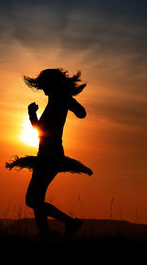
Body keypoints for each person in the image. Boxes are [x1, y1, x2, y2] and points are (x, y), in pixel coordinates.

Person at [6, 68, 93, 237]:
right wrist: (69, 103)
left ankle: (70, 222)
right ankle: (45, 234)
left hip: (50, 156)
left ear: (51, 85)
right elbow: (80, 114)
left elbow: (43, 129)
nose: (43, 90)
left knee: (32, 200)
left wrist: (32, 115)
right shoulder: (57, 100)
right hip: (48, 155)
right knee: (37, 199)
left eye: (44, 86)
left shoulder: (58, 101)